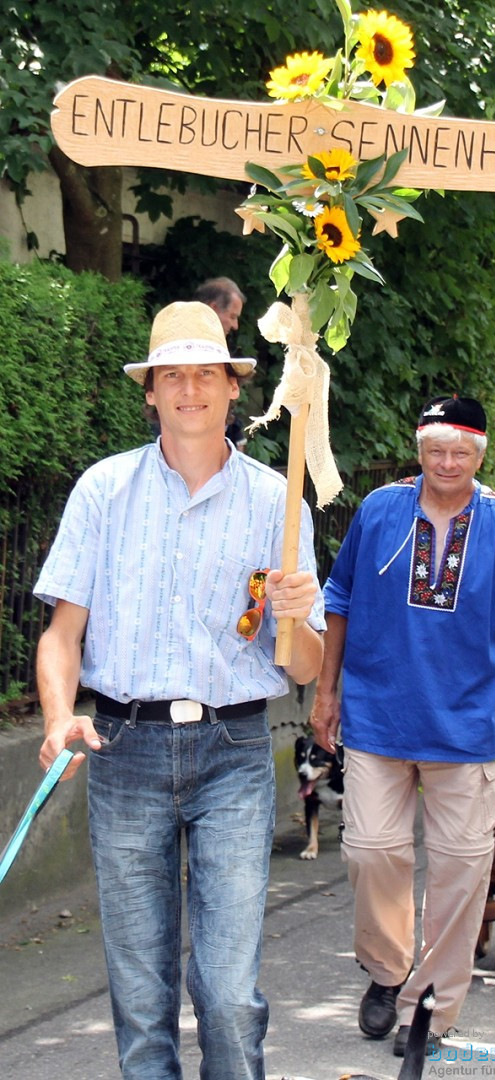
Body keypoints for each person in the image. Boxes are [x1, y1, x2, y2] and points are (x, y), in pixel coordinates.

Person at [33, 301, 325, 1080]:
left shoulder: (277, 502)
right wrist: (60, 716)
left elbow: (304, 667)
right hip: (124, 746)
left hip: (233, 750)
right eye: (173, 376)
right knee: (140, 998)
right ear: (151, 392)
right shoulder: (104, 491)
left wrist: (299, 620)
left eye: (205, 373)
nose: (189, 388)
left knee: (228, 996)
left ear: (234, 389)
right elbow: (62, 633)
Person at [310, 395, 495, 1057]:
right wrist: (326, 693)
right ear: (420, 451)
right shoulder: (380, 509)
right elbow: (340, 599)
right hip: (377, 715)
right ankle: (387, 970)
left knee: (463, 867)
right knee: (372, 850)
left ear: (479, 454)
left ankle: (430, 1013)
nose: (448, 462)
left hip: (465, 724)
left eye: (461, 452)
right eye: (436, 450)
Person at [195, 277, 249, 450]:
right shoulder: (188, 349)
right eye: (232, 316)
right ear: (213, 309)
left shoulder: (218, 347)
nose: (235, 325)